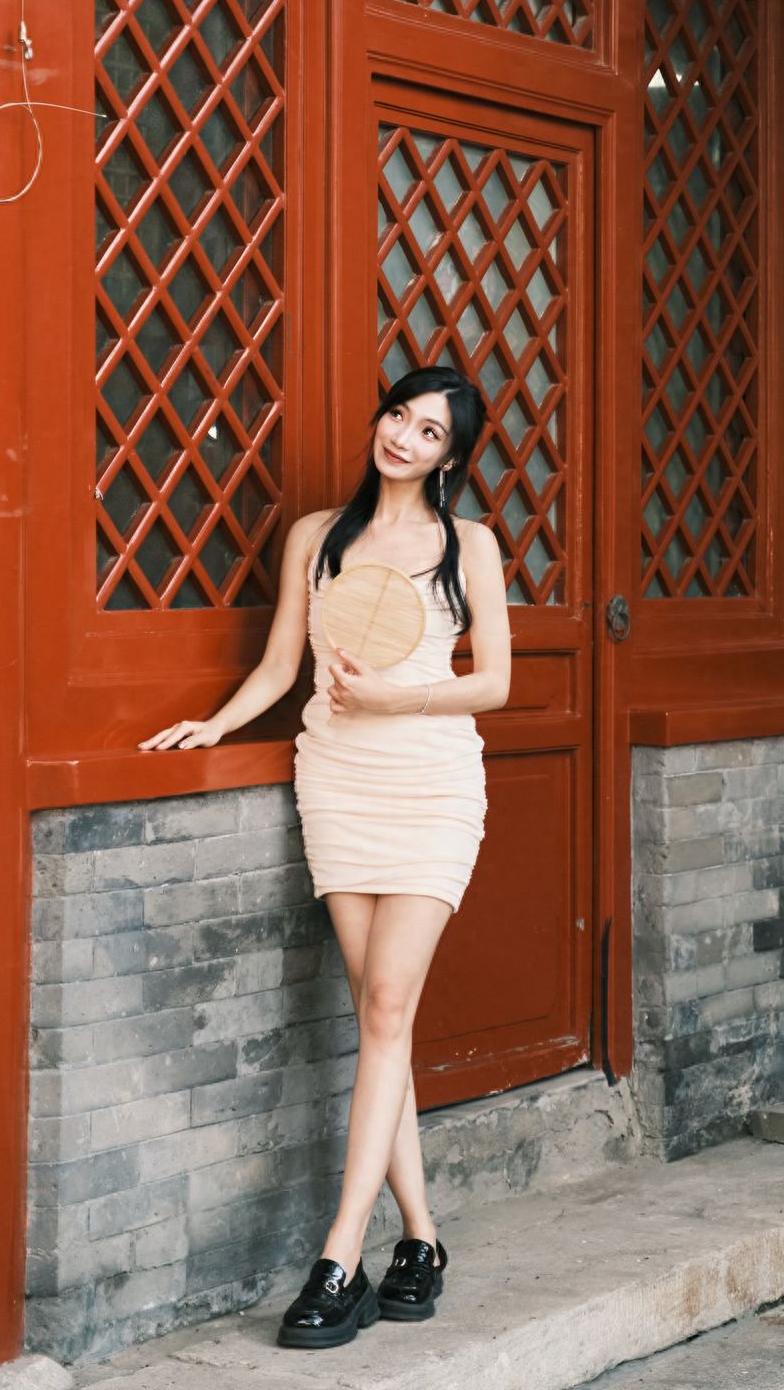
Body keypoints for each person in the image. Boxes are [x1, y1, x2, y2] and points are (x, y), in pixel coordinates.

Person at [139, 365, 511, 1349]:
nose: (403, 437)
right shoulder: (316, 537)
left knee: (385, 1009)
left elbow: (496, 685)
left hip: (431, 788)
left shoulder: (467, 545)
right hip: (337, 786)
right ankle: (421, 1240)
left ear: (449, 457)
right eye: (398, 415)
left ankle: (339, 1254)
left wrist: (398, 699)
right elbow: (279, 666)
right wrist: (208, 725)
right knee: (377, 1018)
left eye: (428, 432)